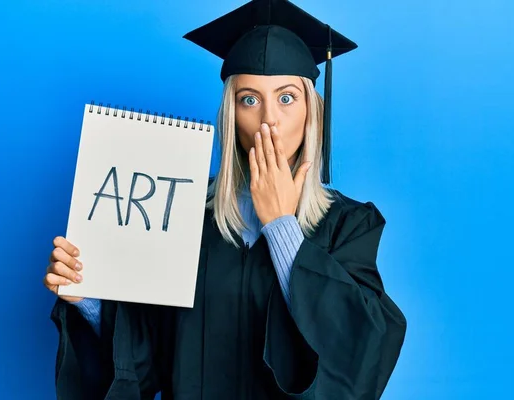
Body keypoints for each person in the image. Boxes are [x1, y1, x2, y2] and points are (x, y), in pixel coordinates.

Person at [43, 0, 407, 398]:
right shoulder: (184, 213)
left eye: (287, 98)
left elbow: (361, 352)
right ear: (230, 114)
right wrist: (88, 297)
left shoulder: (349, 225)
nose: (269, 118)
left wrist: (282, 227)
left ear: (312, 110)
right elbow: (146, 355)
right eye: (249, 99)